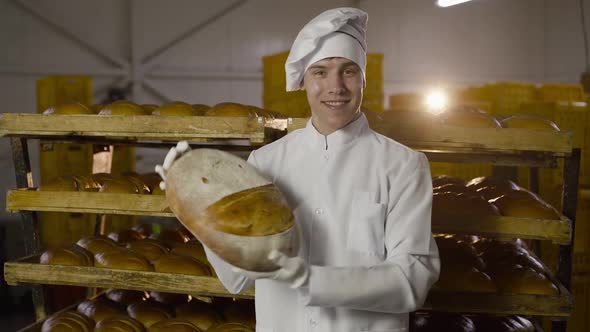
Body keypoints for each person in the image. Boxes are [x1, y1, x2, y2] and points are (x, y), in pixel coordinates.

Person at [156, 7, 440, 332]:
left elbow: (412, 280)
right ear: (303, 80)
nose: (336, 87)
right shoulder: (266, 162)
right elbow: (235, 278)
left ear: (364, 79)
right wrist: (195, 206)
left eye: (348, 71)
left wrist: (313, 280)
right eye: (320, 72)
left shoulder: (402, 165)